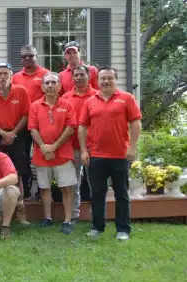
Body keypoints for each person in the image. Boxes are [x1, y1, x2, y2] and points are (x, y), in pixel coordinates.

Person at [79, 67, 142, 241]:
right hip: (96, 155)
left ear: (115, 80)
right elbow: (82, 127)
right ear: (97, 81)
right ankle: (97, 227)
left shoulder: (126, 98)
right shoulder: (90, 101)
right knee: (97, 194)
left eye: (109, 78)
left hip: (120, 155)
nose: (106, 81)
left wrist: (132, 147)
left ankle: (123, 229)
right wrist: (84, 150)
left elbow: (136, 123)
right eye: (102, 79)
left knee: (121, 193)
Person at [28, 72, 78, 234]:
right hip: (42, 155)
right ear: (42, 87)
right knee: (44, 188)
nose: (50, 86)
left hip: (62, 155)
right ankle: (47, 218)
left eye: (53, 82)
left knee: (66, 188)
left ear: (59, 86)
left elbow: (71, 128)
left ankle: (67, 220)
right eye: (47, 83)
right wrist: (44, 147)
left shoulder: (67, 105)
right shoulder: (35, 105)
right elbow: (33, 129)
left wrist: (53, 147)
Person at [0, 62, 30, 226]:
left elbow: (25, 115)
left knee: (18, 173)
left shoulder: (21, 91)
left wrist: (13, 133)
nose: (2, 77)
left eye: (6, 73)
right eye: (0, 74)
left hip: (17, 135)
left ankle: (20, 209)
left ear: (11, 75)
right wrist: (2, 134)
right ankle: (1, 211)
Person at [61, 65, 98, 224]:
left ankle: (96, 215)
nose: (79, 77)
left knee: (95, 183)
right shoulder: (66, 97)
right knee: (73, 183)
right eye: (76, 75)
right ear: (72, 77)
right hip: (72, 146)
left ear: (89, 76)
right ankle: (74, 215)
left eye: (82, 74)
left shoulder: (97, 95)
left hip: (93, 146)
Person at [11, 45, 50, 196]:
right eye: (24, 56)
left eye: (31, 56)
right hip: (22, 122)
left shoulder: (46, 74)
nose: (28, 58)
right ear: (21, 59)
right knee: (23, 155)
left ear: (36, 56)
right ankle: (25, 189)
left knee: (42, 154)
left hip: (42, 121)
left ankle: (42, 190)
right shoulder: (16, 77)